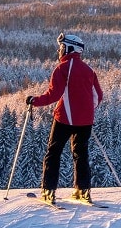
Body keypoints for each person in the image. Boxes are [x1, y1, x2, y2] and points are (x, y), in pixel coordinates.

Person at [26, 33, 103, 205]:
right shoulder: (89, 70)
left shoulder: (62, 68)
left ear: (69, 48)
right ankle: (83, 191)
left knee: (53, 153)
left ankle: (48, 191)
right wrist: (86, 111)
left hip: (64, 119)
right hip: (85, 121)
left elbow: (53, 95)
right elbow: (98, 96)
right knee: (81, 154)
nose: (59, 50)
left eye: (61, 47)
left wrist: (34, 101)